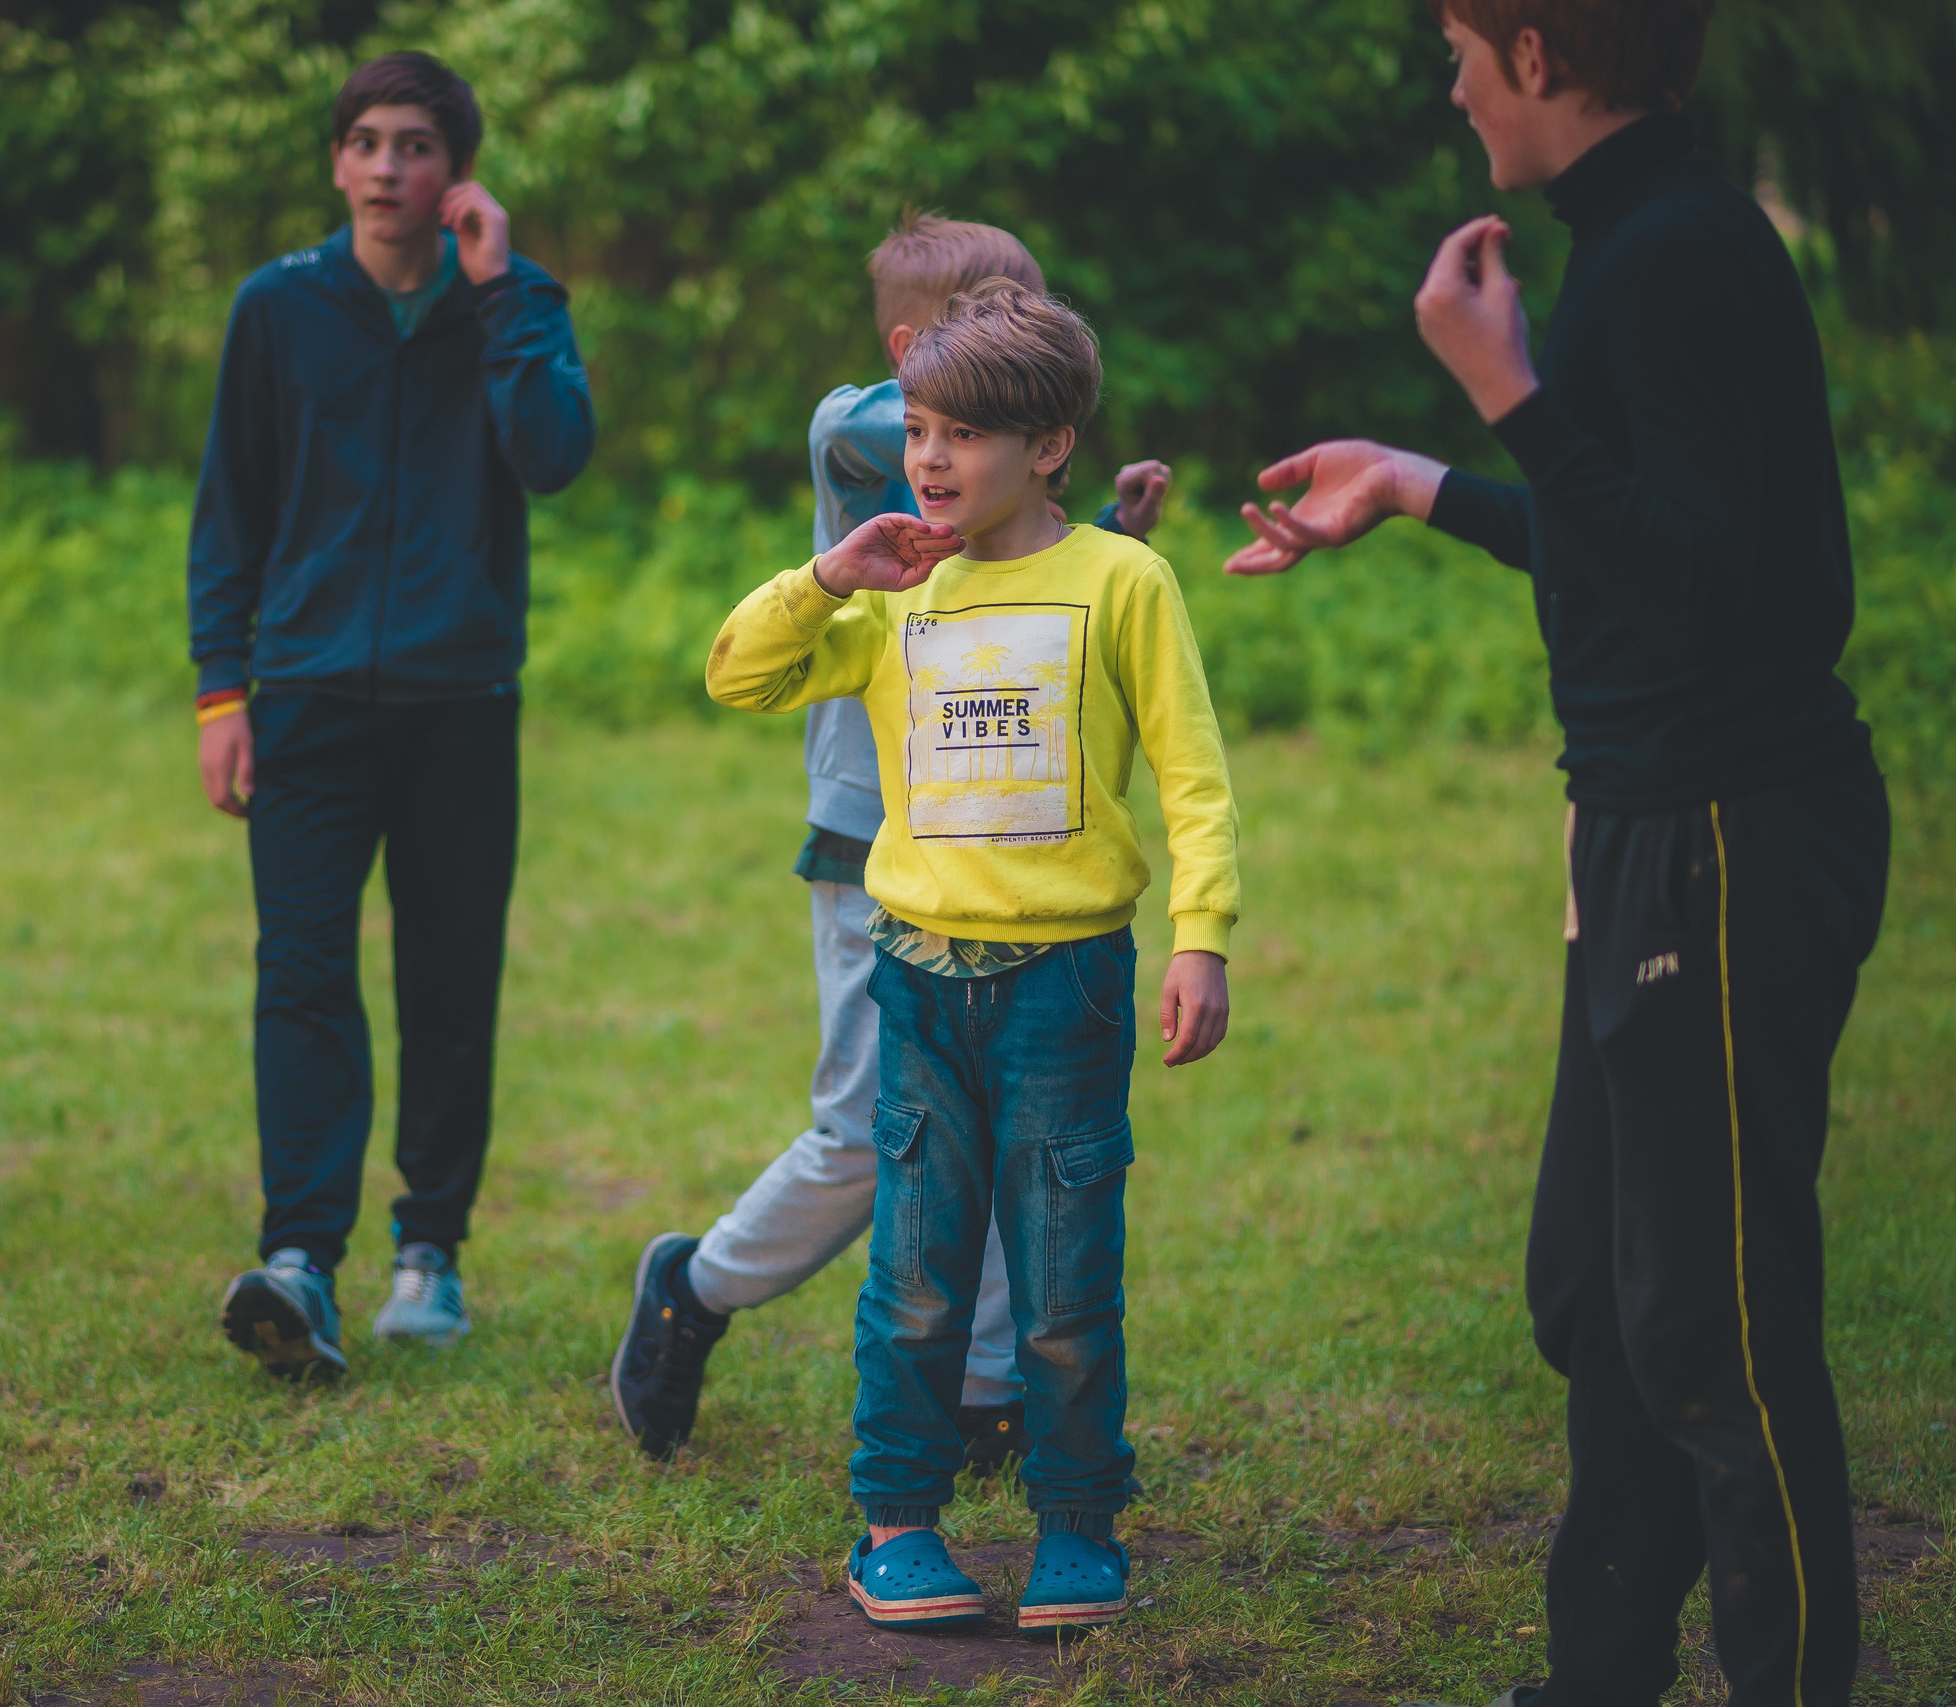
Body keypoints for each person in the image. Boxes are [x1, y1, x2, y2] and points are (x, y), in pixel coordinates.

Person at [1225, 5, 1886, 1704]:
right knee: (1598, 1289)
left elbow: (1687, 575)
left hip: (1728, 830)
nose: (1450, 87)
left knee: (1714, 1326)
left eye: (1460, 46)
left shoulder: (1676, 253)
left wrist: (1506, 388)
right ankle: (1597, 1674)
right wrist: (1424, 475)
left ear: (1535, 48)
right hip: (1654, 819)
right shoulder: (1646, 239)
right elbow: (1631, 524)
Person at [707, 280, 1239, 1630]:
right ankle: (897, 1523)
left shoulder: (1125, 579)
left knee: (1065, 1272)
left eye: (961, 436)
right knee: (919, 1272)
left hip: (1067, 982)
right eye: (919, 431)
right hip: (919, 980)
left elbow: (1193, 777)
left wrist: (1202, 937)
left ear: (1051, 446)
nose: (929, 461)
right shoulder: (898, 588)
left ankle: (1076, 1525)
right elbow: (739, 674)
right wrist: (833, 574)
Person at [611, 212, 1174, 1464]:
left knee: (988, 1124)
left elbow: (1030, 570)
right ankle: (695, 1287)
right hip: (875, 833)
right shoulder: (857, 432)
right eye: (980, 341)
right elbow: (949, 440)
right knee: (877, 1130)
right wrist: (993, 411)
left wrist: (1112, 536)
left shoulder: (987, 462)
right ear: (916, 352)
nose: (954, 435)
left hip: (1007, 845)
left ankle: (981, 1396)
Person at [190, 52, 594, 1381]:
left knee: (447, 979)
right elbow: (228, 513)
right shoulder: (278, 309)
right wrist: (221, 692)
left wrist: (497, 294)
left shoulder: (515, 304)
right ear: (335, 163)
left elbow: (553, 452)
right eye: (362, 141)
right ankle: (300, 1258)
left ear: (454, 171)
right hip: (302, 698)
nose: (383, 166)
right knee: (301, 972)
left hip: (459, 702)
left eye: (413, 144)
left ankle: (432, 1250)